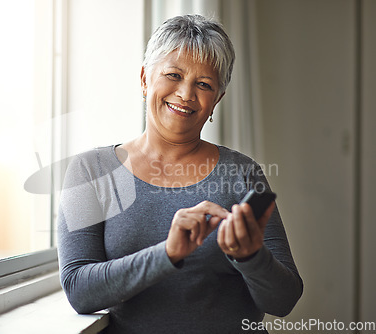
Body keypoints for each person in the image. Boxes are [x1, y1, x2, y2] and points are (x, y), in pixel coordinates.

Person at [57, 14, 302, 333]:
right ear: (145, 79)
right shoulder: (90, 171)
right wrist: (168, 253)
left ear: (217, 99)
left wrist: (251, 257)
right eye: (173, 75)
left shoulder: (244, 173)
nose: (186, 94)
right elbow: (79, 290)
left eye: (204, 84)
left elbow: (283, 301)